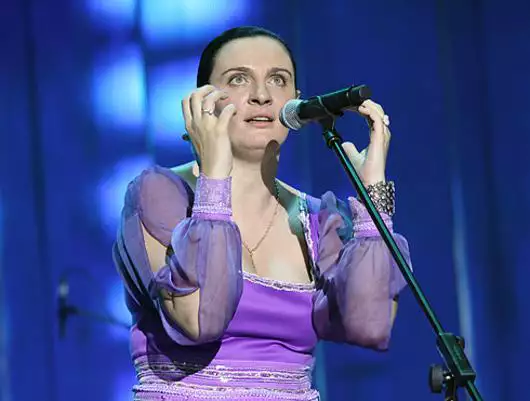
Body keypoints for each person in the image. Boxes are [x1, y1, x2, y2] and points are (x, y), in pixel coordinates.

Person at [113, 25, 412, 401]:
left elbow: (369, 325)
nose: (261, 95)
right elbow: (199, 319)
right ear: (203, 101)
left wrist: (372, 200)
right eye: (238, 79)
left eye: (278, 79)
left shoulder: (317, 219)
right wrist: (215, 177)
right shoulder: (162, 193)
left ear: (296, 104)